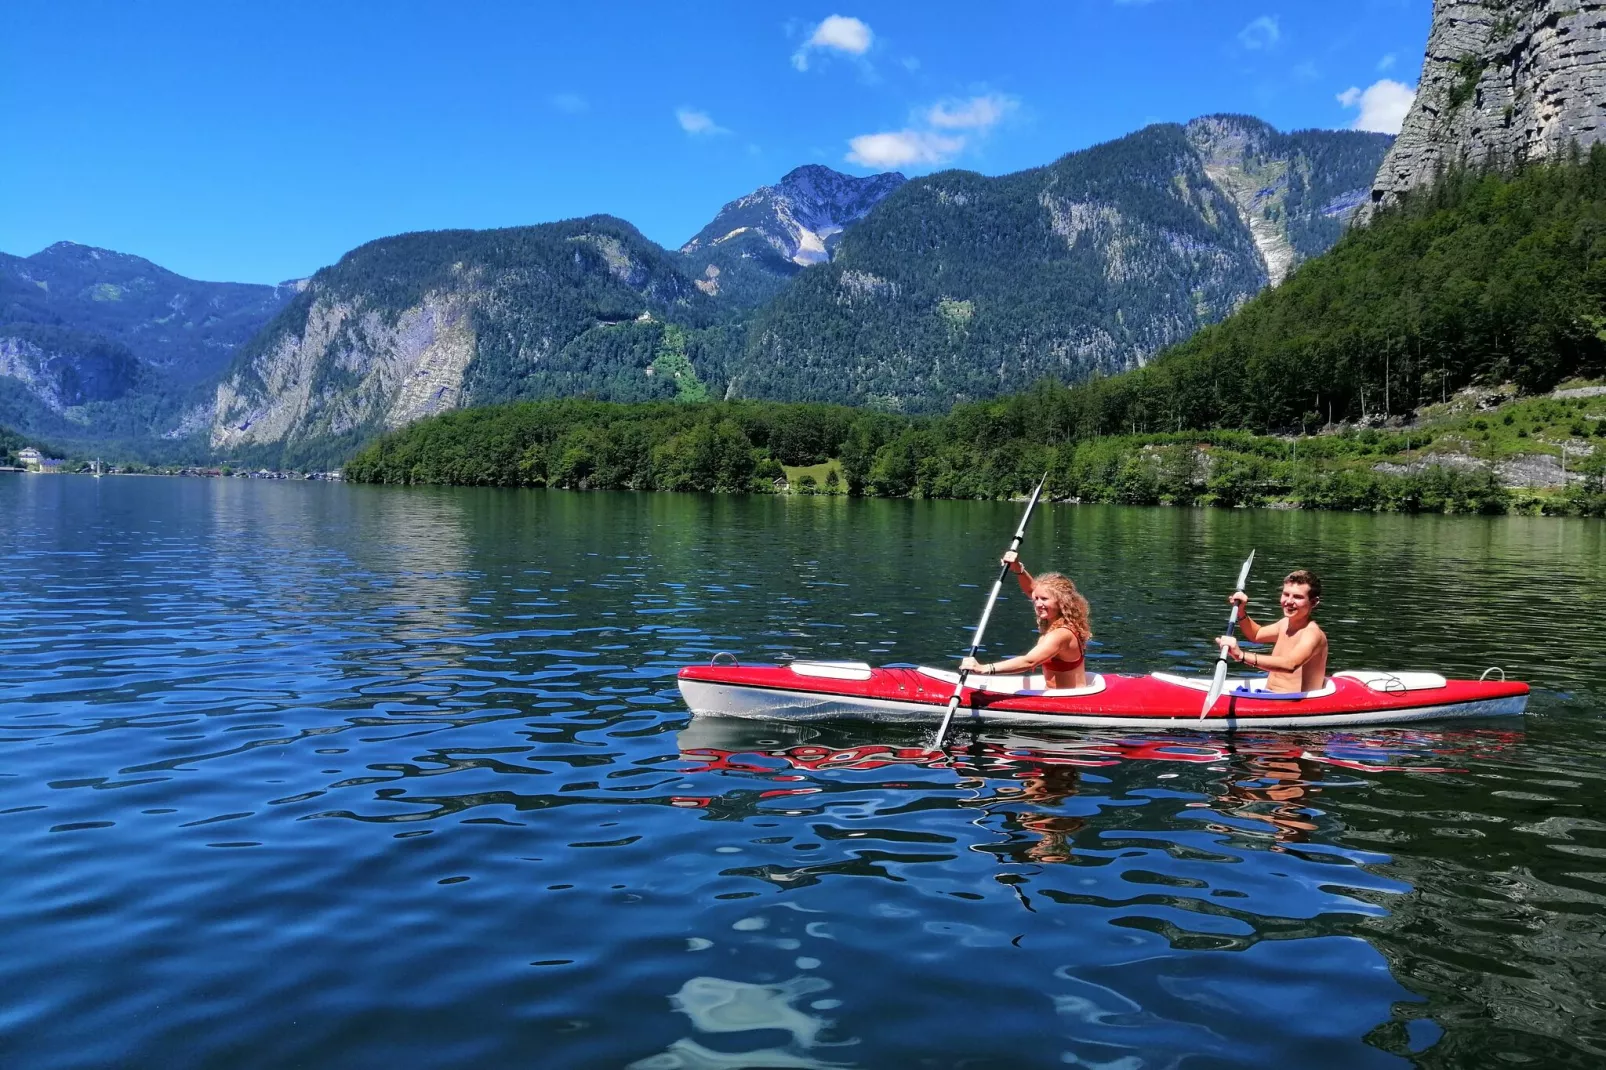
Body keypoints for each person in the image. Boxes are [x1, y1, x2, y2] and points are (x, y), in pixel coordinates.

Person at [959, 551, 1092, 689]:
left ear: (1061, 602)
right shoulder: (1058, 620)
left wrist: (984, 668)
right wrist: (1018, 568)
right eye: (1036, 599)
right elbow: (1031, 590)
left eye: (1044, 599)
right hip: (1055, 695)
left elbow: (1029, 662)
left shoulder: (1061, 634)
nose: (1038, 604)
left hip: (1066, 701)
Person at [1214, 568, 1328, 693]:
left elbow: (1290, 665)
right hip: (1269, 695)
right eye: (1286, 594)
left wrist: (1241, 656)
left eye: (1297, 597)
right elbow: (1256, 634)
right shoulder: (1285, 623)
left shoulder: (1312, 634)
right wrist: (1241, 611)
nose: (1289, 601)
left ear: (1313, 602)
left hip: (1294, 703)